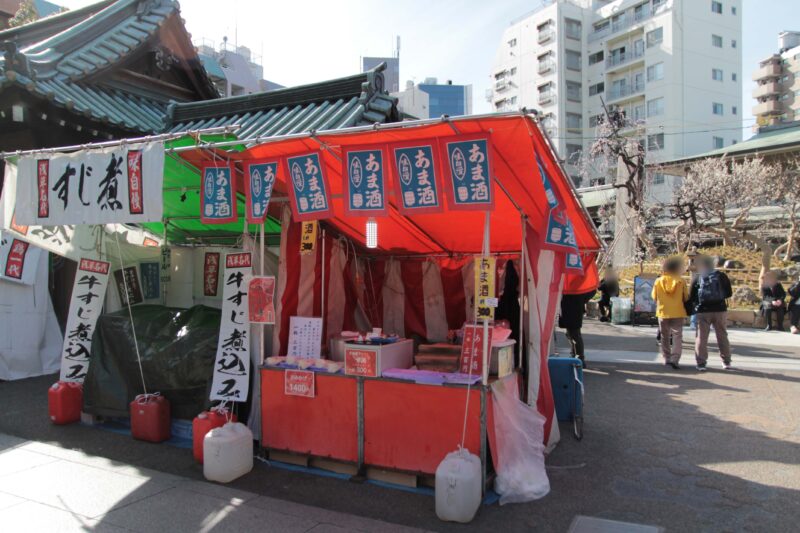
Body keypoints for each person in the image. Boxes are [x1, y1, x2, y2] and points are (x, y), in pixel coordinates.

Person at [689, 256, 733, 371]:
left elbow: (692, 296)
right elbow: (728, 293)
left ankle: (701, 363)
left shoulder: (698, 277)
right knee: (722, 335)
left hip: (703, 311)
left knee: (701, 337)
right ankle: (726, 361)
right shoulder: (721, 276)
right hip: (720, 309)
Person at [651, 257, 688, 370]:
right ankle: (675, 359)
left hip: (663, 312)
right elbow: (686, 297)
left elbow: (653, 297)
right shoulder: (681, 281)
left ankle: (666, 358)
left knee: (664, 336)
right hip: (678, 311)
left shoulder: (658, 281)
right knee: (677, 335)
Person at [559, 289, 596, 368]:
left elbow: (592, 289)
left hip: (574, 308)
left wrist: (581, 299)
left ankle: (579, 359)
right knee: (571, 333)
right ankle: (575, 356)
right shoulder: (575, 282)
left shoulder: (578, 283)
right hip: (571, 307)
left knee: (574, 334)